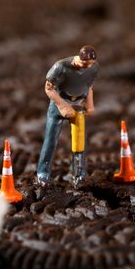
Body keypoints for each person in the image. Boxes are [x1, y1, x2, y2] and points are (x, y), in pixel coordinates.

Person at [37, 45, 99, 185]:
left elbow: (89, 87)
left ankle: (79, 175)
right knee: (51, 141)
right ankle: (42, 174)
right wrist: (62, 106)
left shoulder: (93, 67)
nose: (87, 67)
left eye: (90, 64)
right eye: (84, 64)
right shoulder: (61, 66)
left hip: (78, 105)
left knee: (79, 141)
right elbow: (49, 89)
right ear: (79, 59)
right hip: (60, 103)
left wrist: (90, 103)